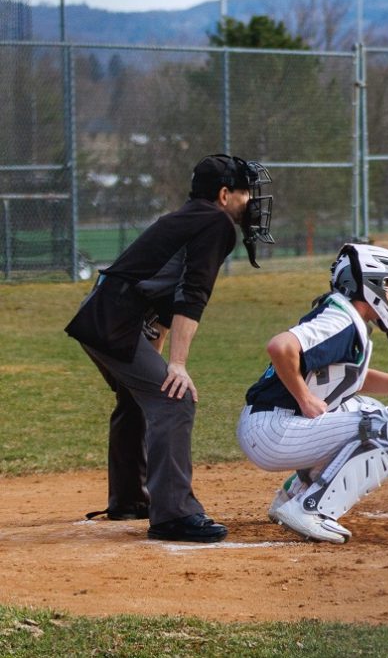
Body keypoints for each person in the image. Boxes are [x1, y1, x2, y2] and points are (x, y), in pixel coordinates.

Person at [65, 154, 275, 542]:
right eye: (246, 194)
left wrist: (159, 351)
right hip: (115, 320)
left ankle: (130, 499)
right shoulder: (215, 223)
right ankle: (173, 515)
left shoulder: (188, 217)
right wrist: (177, 364)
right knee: (175, 399)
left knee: (138, 398)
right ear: (225, 194)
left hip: (101, 313)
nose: (251, 203)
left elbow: (160, 295)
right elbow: (190, 293)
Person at [237, 243, 388, 544]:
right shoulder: (339, 320)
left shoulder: (345, 318)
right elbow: (281, 347)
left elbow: (355, 381)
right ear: (367, 285)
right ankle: (311, 510)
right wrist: (304, 397)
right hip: (274, 431)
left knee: (361, 406)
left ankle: (294, 496)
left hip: (271, 425)